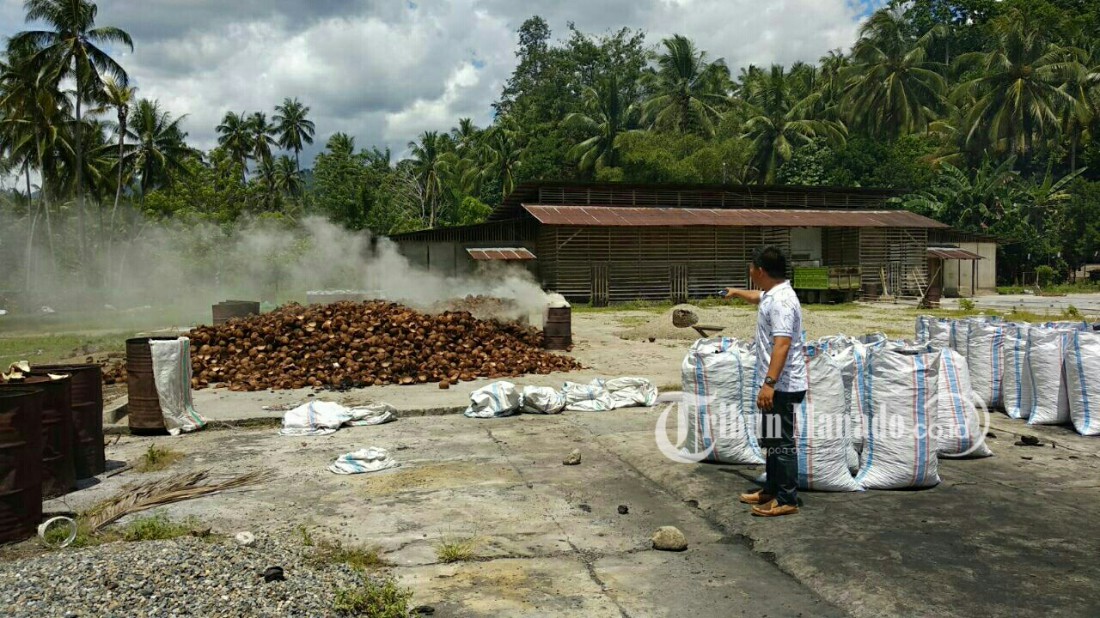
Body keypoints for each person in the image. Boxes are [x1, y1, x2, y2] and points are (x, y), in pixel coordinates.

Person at [724, 246, 807, 517]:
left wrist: (769, 383)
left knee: (781, 442)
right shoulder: (773, 294)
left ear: (760, 271)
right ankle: (771, 489)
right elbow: (758, 297)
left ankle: (787, 499)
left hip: (782, 385)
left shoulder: (782, 302)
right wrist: (736, 292)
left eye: (751, 268)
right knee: (772, 439)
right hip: (773, 384)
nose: (749, 272)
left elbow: (782, 344)